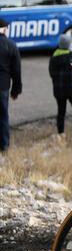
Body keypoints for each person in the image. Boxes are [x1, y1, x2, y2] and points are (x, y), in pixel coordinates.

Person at [48, 34, 72, 140]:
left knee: (61, 111)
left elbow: (51, 73)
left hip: (58, 90)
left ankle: (60, 133)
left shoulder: (53, 57)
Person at [0, 19, 22, 153]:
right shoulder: (11, 45)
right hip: (2, 87)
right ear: (4, 29)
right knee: (3, 116)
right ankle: (4, 145)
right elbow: (16, 71)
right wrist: (16, 90)